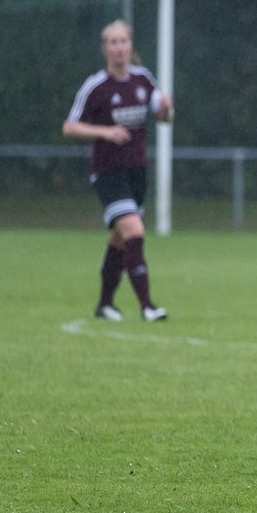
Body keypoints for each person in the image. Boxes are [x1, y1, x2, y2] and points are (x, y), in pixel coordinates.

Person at [63, 19, 173, 322]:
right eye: (113, 42)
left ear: (131, 46)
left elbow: (164, 118)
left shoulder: (143, 80)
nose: (119, 48)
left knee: (119, 239)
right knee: (135, 232)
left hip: (136, 172)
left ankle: (105, 304)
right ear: (105, 49)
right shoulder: (95, 87)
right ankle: (148, 306)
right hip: (107, 172)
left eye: (123, 41)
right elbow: (69, 126)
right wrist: (104, 132)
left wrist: (166, 109)